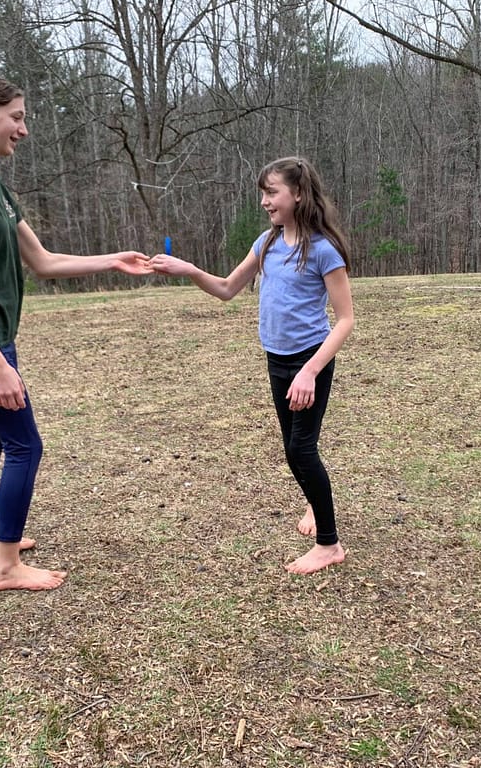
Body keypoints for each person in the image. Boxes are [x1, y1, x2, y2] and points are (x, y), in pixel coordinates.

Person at [0, 73, 151, 591]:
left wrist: (113, 261)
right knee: (25, 445)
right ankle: (5, 567)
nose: (23, 129)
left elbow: (45, 262)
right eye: (17, 117)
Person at [150, 157, 354, 575]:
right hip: (276, 360)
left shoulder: (322, 250)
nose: (265, 201)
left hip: (308, 362)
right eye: (263, 192)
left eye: (272, 192)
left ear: (298, 193)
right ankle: (317, 505)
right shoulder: (266, 244)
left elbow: (346, 320)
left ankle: (329, 544)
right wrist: (187, 269)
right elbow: (227, 289)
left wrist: (310, 371)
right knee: (291, 450)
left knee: (301, 448)